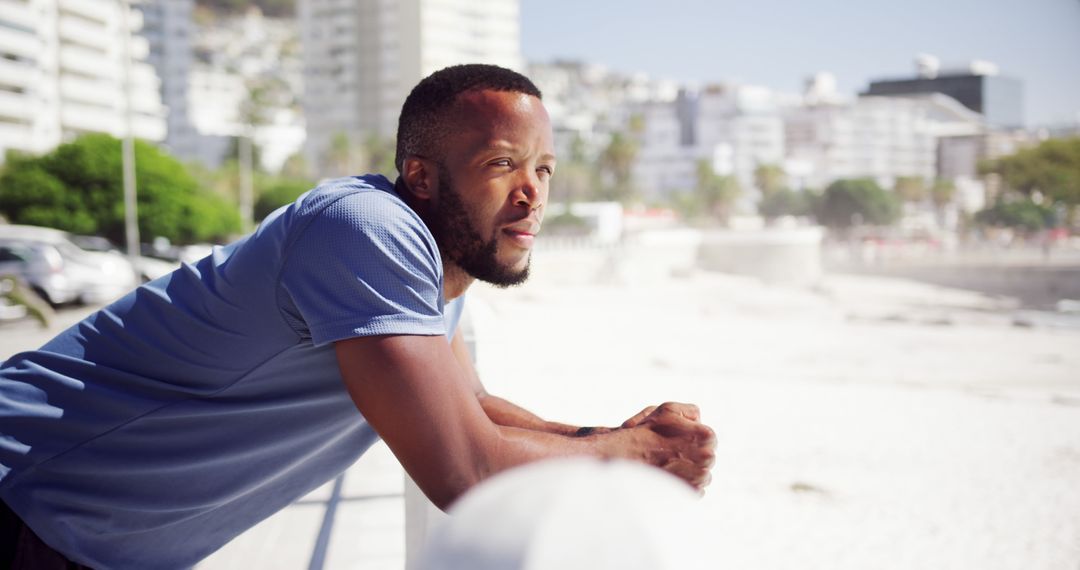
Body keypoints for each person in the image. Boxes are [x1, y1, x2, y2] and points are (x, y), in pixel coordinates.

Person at [0, 64, 715, 569]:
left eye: (545, 168)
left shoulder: (437, 269)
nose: (533, 193)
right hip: (25, 492)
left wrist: (612, 436)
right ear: (422, 177)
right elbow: (465, 468)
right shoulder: (368, 228)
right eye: (502, 164)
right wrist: (638, 456)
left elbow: (468, 407)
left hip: (84, 534)